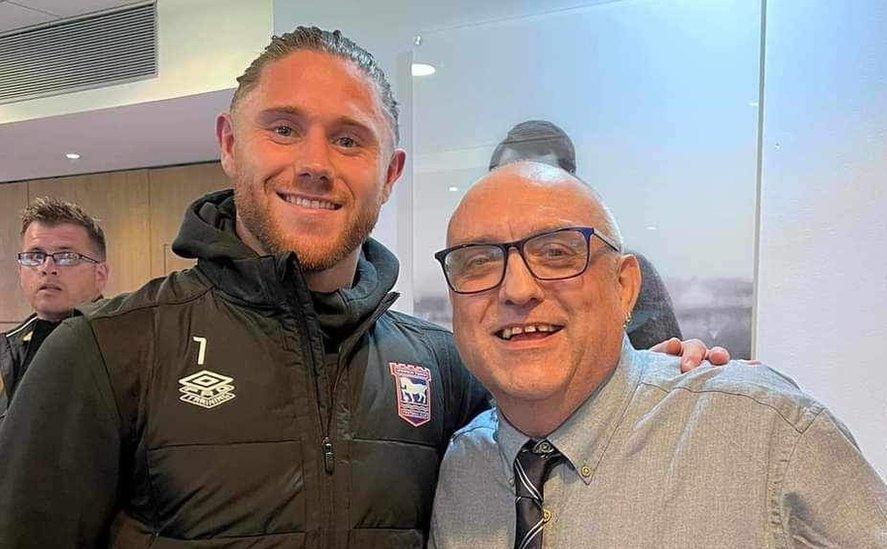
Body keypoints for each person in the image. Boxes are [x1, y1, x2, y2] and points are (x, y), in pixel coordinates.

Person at [0, 27, 723, 547]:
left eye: (349, 140)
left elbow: (562, 401)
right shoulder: (102, 351)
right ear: (229, 143)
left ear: (391, 172)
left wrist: (663, 372)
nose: (314, 163)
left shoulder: (443, 367)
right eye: (284, 129)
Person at [429, 162, 887, 548]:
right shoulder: (460, 467)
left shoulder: (766, 434)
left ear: (625, 287)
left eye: (557, 253)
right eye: (477, 263)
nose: (517, 289)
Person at [489, 119, 683, 351]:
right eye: (507, 182)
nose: (519, 292)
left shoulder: (614, 268)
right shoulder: (480, 275)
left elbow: (663, 364)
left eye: (538, 179)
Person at [0, 197, 108, 420]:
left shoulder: (134, 347)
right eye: (35, 256)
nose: (47, 268)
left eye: (67, 257)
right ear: (20, 272)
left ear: (100, 274)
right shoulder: (6, 352)